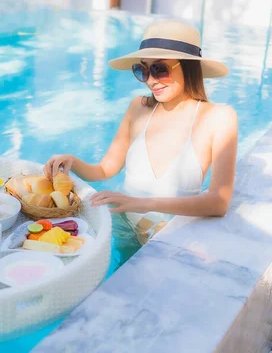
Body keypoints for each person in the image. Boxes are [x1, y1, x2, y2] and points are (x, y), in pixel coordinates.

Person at [44, 20, 238, 244]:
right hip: (124, 224)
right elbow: (106, 169)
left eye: (160, 69)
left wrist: (142, 203)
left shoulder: (219, 118)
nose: (151, 80)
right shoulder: (139, 107)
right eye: (143, 70)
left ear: (188, 66)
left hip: (173, 238)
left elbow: (218, 202)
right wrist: (71, 161)